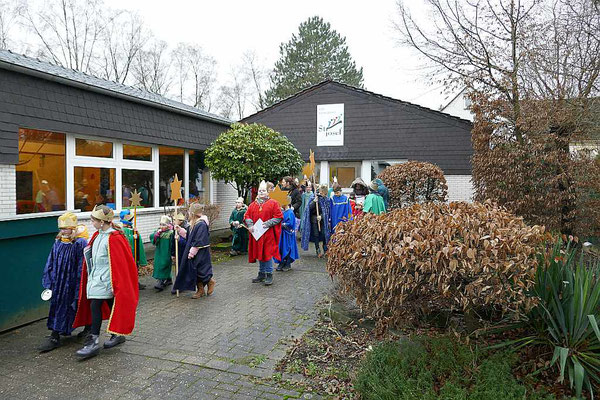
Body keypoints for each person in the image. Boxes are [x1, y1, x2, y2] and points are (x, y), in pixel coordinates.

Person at [73, 205, 139, 359]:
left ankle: (93, 341)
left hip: (107, 279)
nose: (91, 222)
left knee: (95, 305)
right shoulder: (98, 235)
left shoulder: (114, 238)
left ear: (102, 221)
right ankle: (117, 333)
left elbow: (120, 265)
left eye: (93, 220)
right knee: (110, 304)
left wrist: (114, 284)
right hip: (96, 277)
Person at [38, 212, 89, 353]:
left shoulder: (80, 243)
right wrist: (49, 279)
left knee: (76, 305)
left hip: (72, 282)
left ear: (73, 228)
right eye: (61, 229)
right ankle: (55, 334)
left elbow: (82, 265)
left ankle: (88, 328)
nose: (62, 231)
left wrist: (80, 284)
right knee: (57, 305)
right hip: (59, 282)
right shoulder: (58, 242)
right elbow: (51, 261)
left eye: (65, 229)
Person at [244, 181, 283, 286]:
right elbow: (247, 216)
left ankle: (269, 274)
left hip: (268, 234)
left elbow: (279, 217)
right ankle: (261, 274)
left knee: (267, 253)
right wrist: (250, 224)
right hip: (257, 234)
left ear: (267, 192)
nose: (261, 192)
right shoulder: (253, 205)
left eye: (264, 190)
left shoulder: (273, 203)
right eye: (260, 191)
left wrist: (268, 223)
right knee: (259, 253)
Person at [173, 203, 215, 299]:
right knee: (194, 270)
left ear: (193, 213)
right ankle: (200, 290)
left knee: (200, 269)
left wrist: (192, 252)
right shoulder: (194, 223)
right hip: (194, 251)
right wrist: (180, 230)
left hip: (200, 252)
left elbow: (199, 240)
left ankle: (210, 281)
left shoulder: (201, 224)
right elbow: (190, 235)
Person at [301, 184, 332, 258]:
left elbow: (327, 210)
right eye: (321, 193)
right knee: (316, 235)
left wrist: (321, 216)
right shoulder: (314, 198)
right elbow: (308, 209)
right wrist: (314, 202)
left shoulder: (327, 199)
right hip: (314, 219)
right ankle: (317, 250)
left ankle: (325, 249)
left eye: (324, 193)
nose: (322, 194)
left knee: (324, 234)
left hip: (322, 219)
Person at [119, 210, 147, 290]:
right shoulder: (123, 230)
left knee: (135, 268)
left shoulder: (131, 229)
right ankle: (130, 284)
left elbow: (137, 241)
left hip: (134, 254)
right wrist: (132, 238)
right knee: (129, 269)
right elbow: (126, 241)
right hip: (128, 254)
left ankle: (135, 282)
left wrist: (137, 235)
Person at [275, 196, 299, 272]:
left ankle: (287, 263)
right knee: (281, 248)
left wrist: (283, 224)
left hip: (287, 234)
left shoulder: (290, 213)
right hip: (281, 234)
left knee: (287, 248)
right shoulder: (281, 212)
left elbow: (291, 224)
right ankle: (281, 262)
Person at [150, 215, 174, 291]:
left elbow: (173, 244)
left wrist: (173, 254)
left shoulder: (171, 233)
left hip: (166, 253)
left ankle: (161, 281)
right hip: (159, 253)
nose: (161, 226)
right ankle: (168, 279)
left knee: (164, 265)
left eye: (163, 225)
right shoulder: (158, 232)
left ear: (168, 226)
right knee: (158, 265)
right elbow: (152, 237)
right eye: (160, 224)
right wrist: (156, 235)